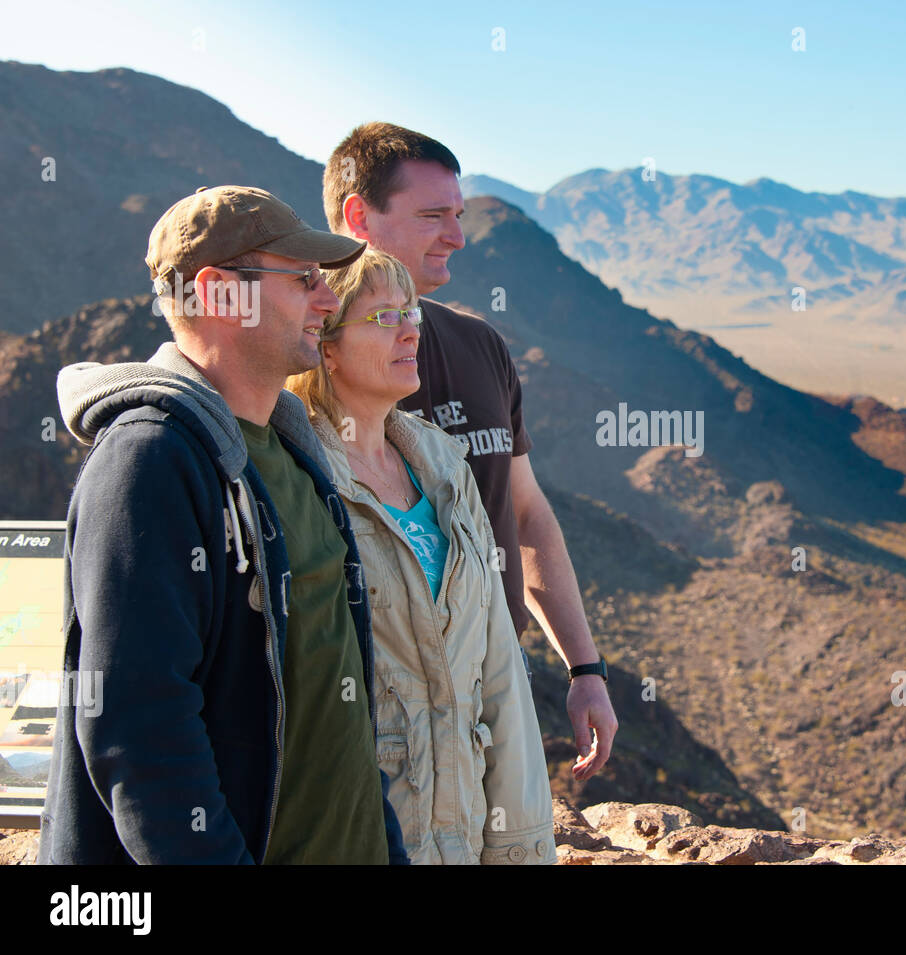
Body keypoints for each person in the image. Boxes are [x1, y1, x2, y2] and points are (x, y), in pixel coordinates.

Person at [39, 185, 408, 864]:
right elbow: (141, 732)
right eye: (302, 279)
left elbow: (334, 703)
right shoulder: (151, 460)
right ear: (216, 292)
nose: (326, 301)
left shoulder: (292, 452)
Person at [322, 123, 617, 781]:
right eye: (433, 216)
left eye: (458, 215)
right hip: (377, 707)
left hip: (495, 683)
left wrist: (584, 667)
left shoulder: (480, 345)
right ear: (357, 216)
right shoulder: (311, 356)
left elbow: (527, 512)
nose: (457, 235)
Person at [286, 248, 556, 864]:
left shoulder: (443, 468)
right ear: (325, 345)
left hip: (461, 833)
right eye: (385, 317)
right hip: (357, 838)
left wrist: (517, 848)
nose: (412, 329)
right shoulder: (297, 478)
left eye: (411, 312)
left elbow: (499, 673)